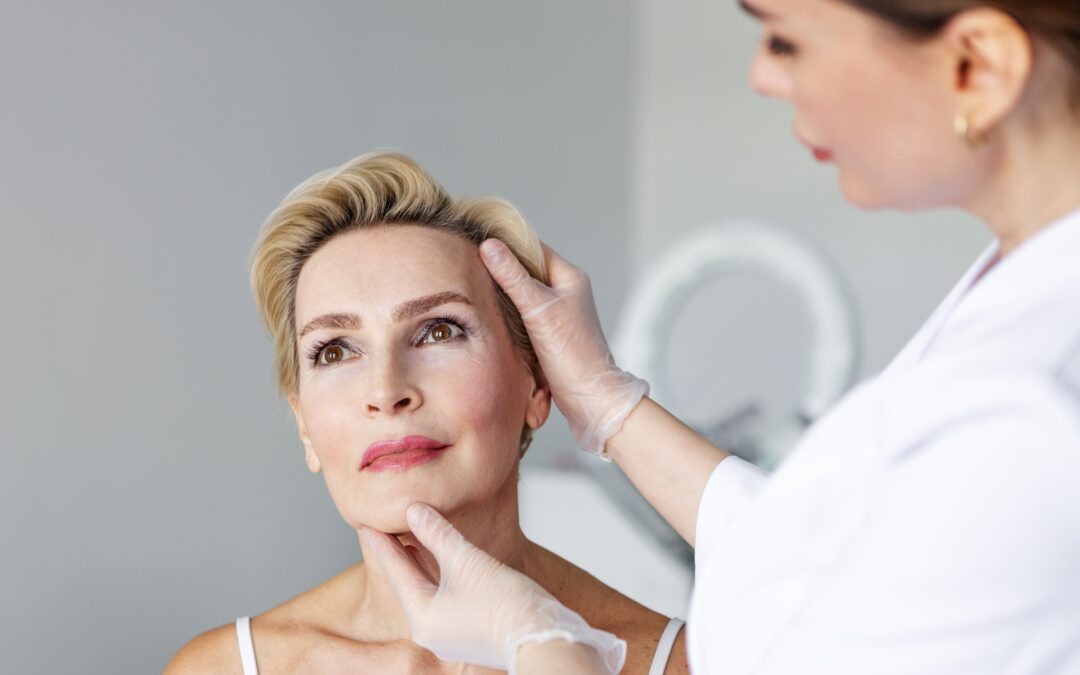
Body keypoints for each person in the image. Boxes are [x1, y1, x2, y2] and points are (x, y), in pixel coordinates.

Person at [361, 1, 1080, 673]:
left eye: (786, 40)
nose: (762, 75)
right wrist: (605, 401)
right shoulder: (1023, 285)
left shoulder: (1033, 408)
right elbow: (830, 557)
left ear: (975, 65)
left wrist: (544, 644)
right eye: (333, 348)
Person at [164, 152, 689, 674]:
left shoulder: (684, 662)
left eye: (440, 331)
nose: (386, 390)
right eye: (334, 350)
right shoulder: (220, 668)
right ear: (303, 424)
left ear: (538, 385)